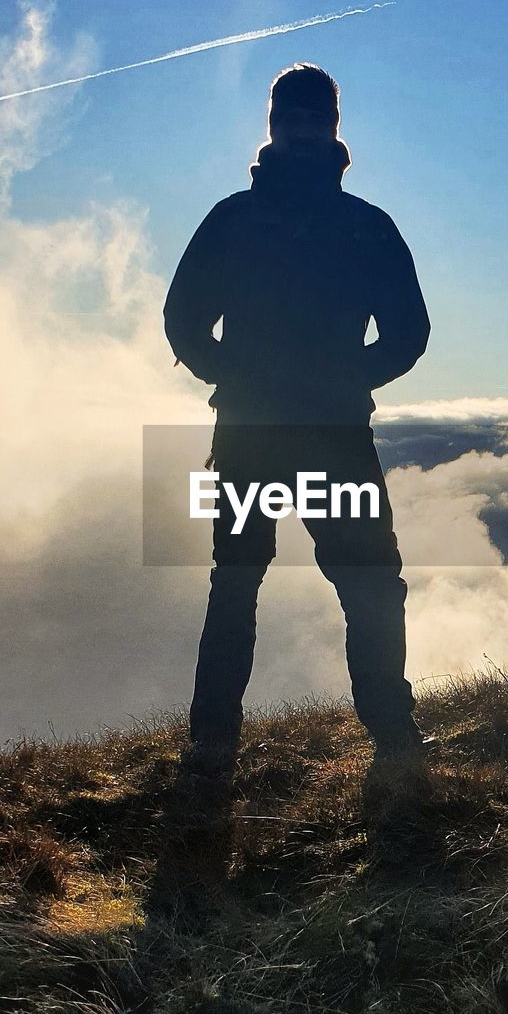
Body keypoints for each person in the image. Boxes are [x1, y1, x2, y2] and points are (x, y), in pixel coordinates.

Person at [163, 63, 431, 777]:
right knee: (354, 581)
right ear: (277, 124)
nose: (306, 126)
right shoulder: (361, 227)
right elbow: (406, 336)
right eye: (296, 115)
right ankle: (390, 732)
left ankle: (215, 742)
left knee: (255, 581)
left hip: (262, 432)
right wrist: (343, 380)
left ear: (330, 126)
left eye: (316, 116)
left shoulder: (242, 219)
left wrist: (241, 376)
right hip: (326, 436)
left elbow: (185, 324)